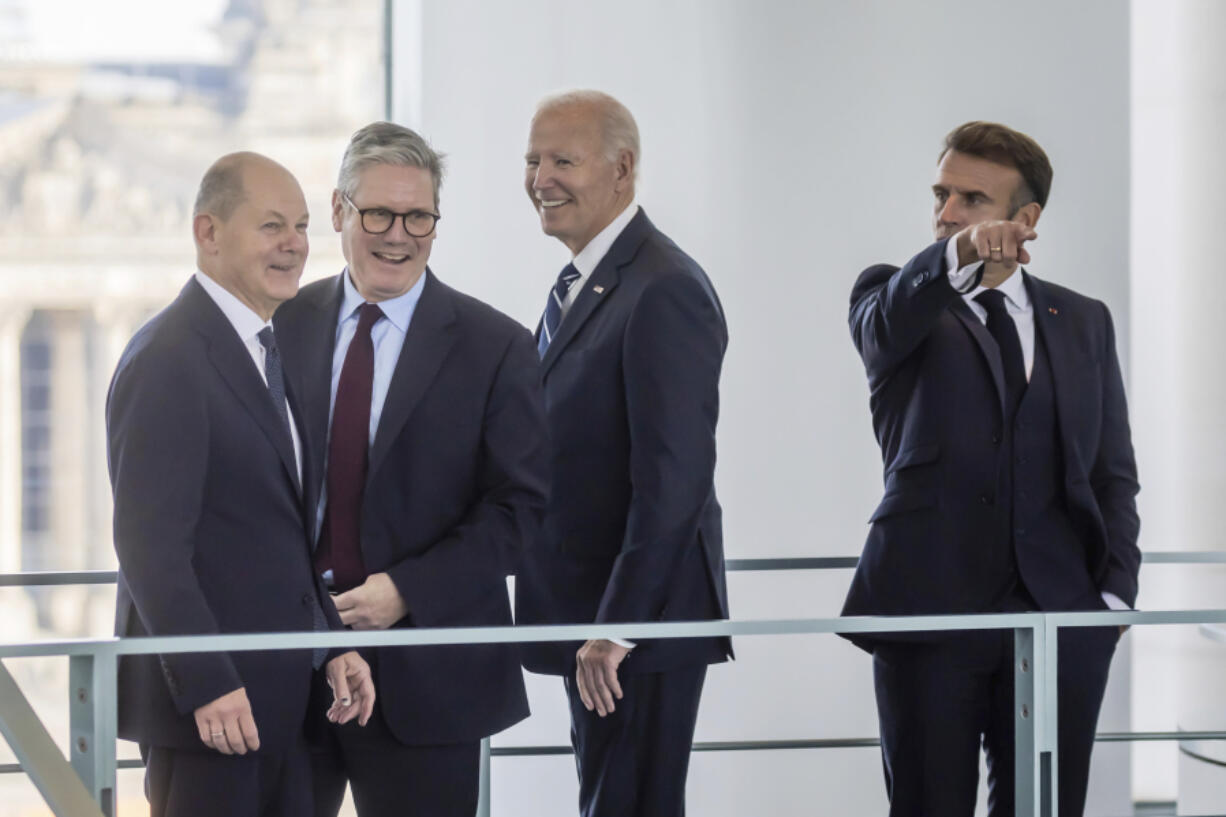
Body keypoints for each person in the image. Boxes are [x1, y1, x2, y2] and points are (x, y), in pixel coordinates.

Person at [842, 121, 1141, 816]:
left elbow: (1112, 469)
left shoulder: (1084, 320)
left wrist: (1114, 598)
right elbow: (884, 327)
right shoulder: (896, 299)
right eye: (941, 193)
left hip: (1061, 619)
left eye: (972, 200)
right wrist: (961, 250)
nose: (947, 213)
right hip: (928, 618)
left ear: (1026, 218)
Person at [273, 122, 548, 817]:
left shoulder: (497, 347)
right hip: (292, 664)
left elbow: (523, 512)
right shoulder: (283, 324)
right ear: (338, 211)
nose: (399, 234)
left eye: (419, 216)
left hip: (430, 679)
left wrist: (407, 590)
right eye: (378, 213)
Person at [107, 151, 374, 817]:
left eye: (303, 226)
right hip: (212, 714)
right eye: (272, 226)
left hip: (283, 704)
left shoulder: (265, 348)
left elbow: (284, 532)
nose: (294, 245)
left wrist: (331, 641)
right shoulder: (168, 357)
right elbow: (150, 547)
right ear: (209, 232)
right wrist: (207, 683)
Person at [514, 89, 732, 817]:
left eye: (563, 160)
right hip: (596, 622)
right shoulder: (589, 280)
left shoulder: (663, 288)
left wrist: (617, 626)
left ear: (622, 169)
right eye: (533, 159)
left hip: (638, 628)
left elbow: (673, 480)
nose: (541, 177)